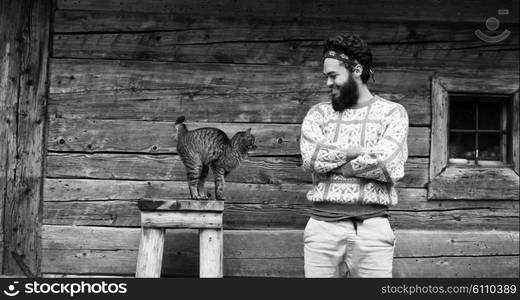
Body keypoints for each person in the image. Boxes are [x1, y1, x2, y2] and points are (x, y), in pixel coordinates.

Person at [299, 33, 409, 278]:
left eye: (333, 75)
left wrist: (341, 168)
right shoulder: (318, 114)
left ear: (356, 70)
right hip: (322, 230)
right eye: (326, 76)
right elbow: (311, 158)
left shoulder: (392, 114)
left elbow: (389, 165)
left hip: (372, 230)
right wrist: (356, 152)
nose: (328, 83)